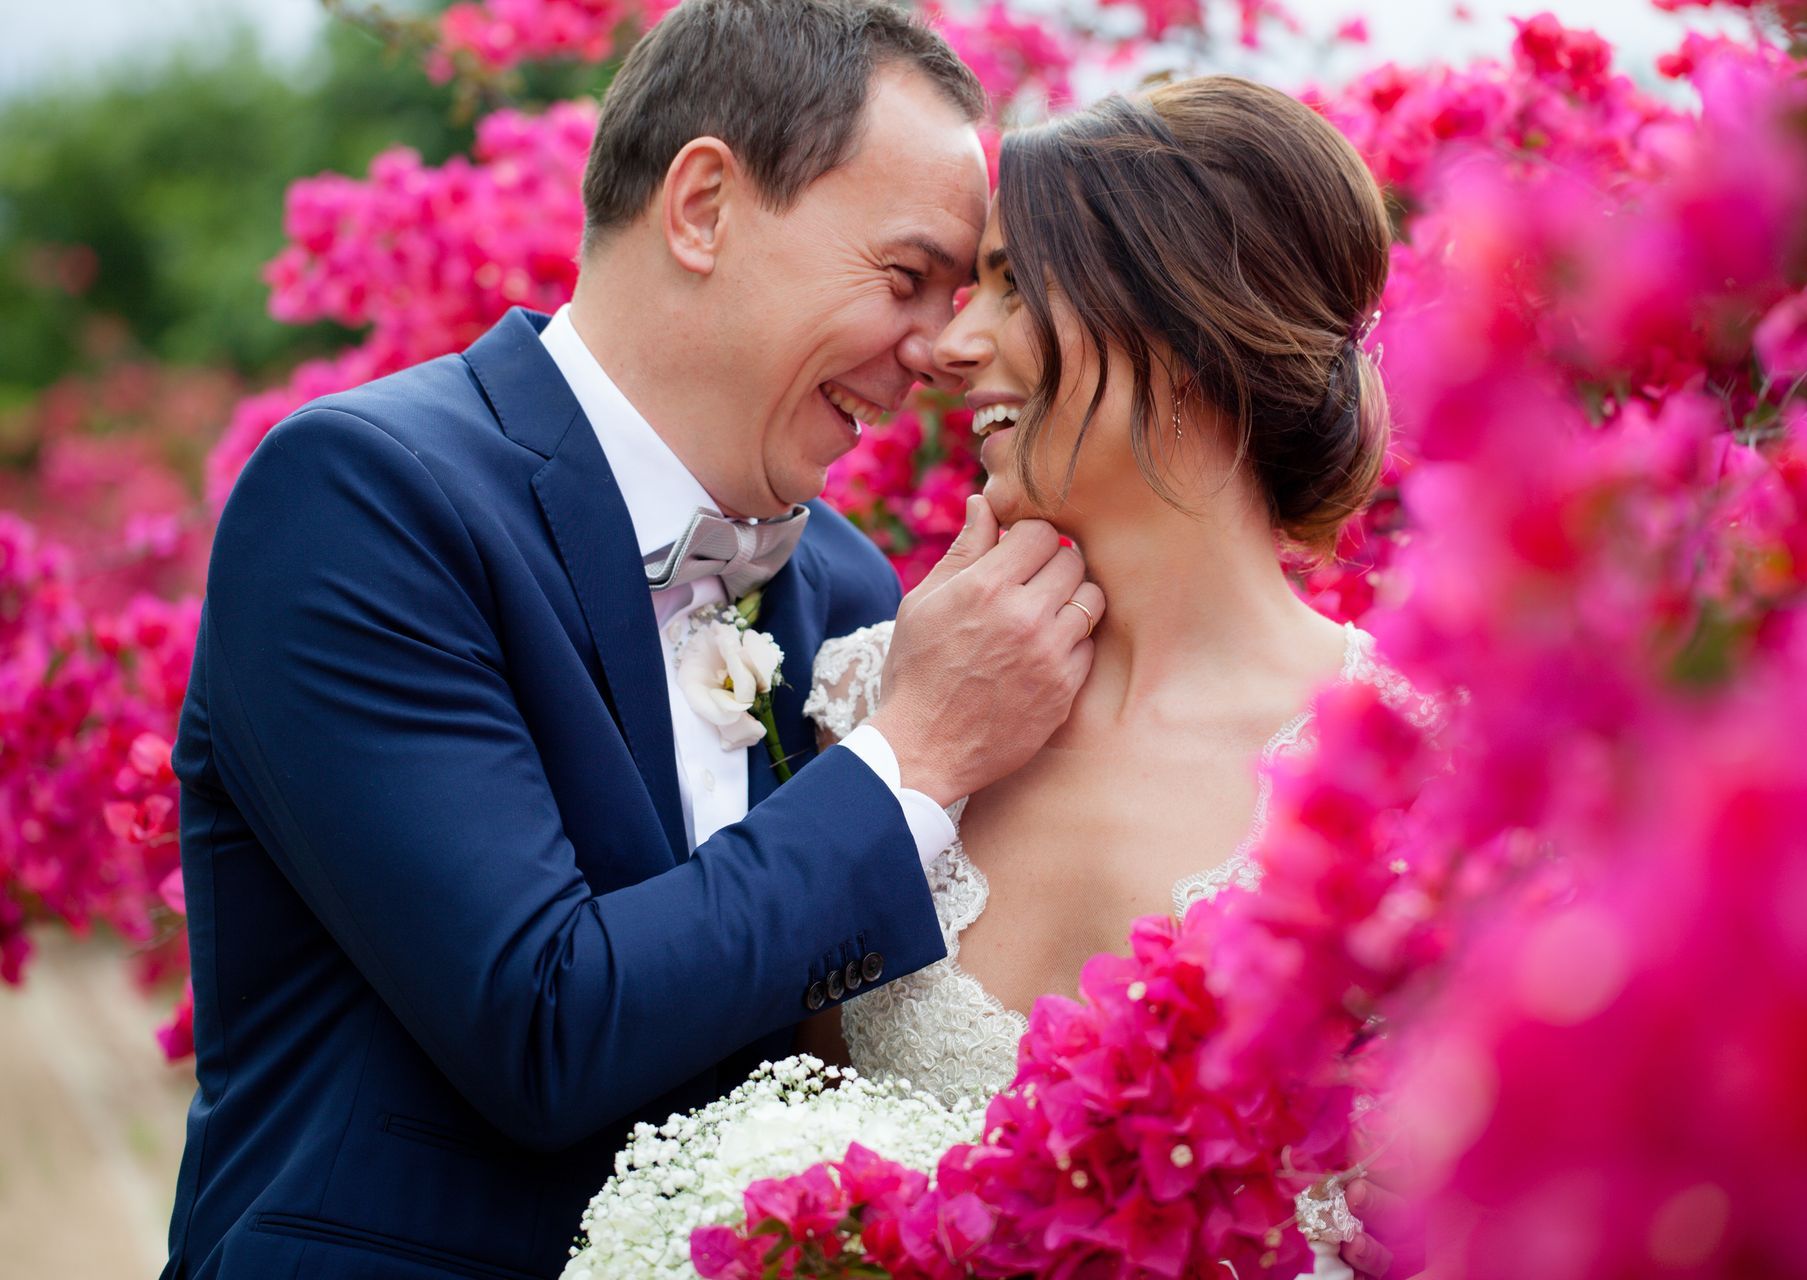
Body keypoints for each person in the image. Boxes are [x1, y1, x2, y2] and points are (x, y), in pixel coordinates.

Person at [159, 3, 1104, 1277]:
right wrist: (918, 747)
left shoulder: (840, 581)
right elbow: (541, 1023)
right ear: (703, 205)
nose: (940, 350)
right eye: (904, 277)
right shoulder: (365, 499)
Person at [802, 75, 1431, 1277]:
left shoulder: (1426, 769)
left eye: (1014, 286)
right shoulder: (863, 706)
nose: (950, 344)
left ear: (1189, 336)